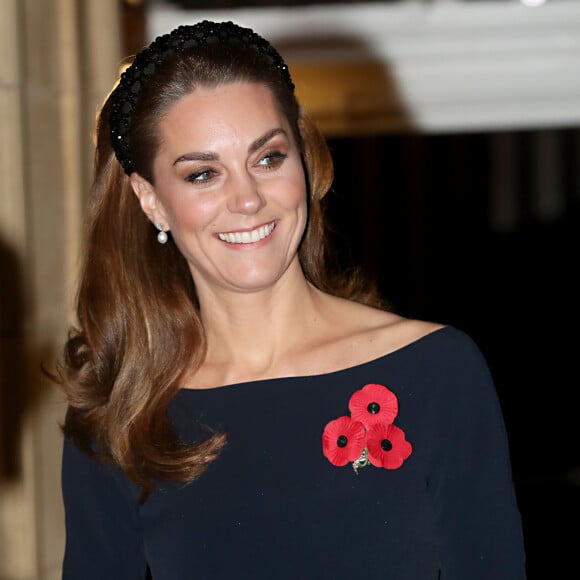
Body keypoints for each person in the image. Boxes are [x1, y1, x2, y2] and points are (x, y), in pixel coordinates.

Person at [55, 20, 527, 579]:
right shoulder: (121, 412)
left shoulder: (437, 372)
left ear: (303, 159)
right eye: (204, 174)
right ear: (151, 201)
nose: (247, 199)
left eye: (268, 158)